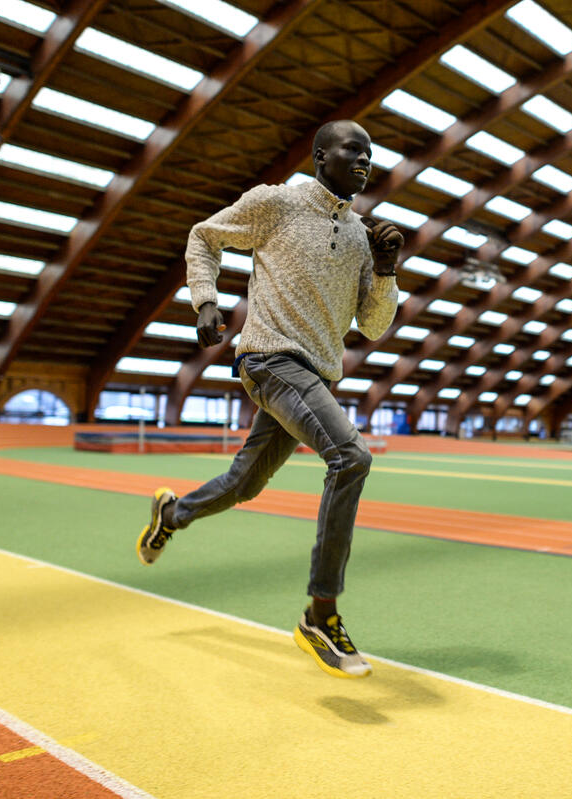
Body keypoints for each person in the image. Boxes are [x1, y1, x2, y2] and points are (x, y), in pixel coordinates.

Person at [135, 119, 403, 679]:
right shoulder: (277, 203)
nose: (364, 159)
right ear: (319, 155)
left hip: (315, 376)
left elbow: (374, 325)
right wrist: (205, 301)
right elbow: (204, 236)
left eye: (369, 153)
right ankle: (320, 615)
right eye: (352, 149)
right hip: (269, 359)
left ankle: (173, 513)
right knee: (351, 456)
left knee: (244, 483)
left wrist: (385, 270)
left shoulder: (362, 237)